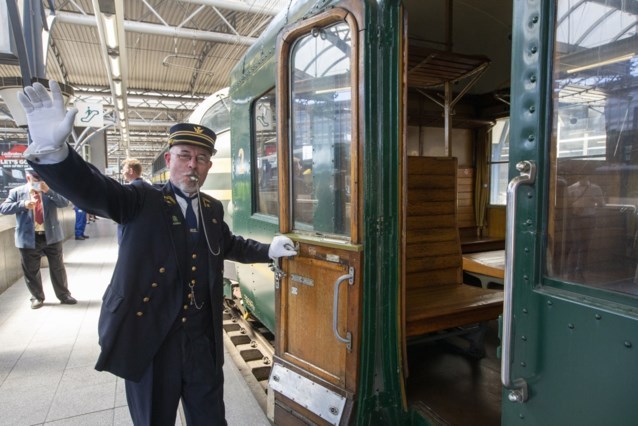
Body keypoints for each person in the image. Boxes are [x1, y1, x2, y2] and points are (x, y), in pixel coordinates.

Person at [17, 80, 297, 425]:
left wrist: (269, 249)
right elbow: (95, 191)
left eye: (201, 158)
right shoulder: (141, 199)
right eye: (184, 156)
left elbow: (227, 245)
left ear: (208, 166)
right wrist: (55, 156)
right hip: (151, 338)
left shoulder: (211, 208)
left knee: (210, 418)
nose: (192, 165)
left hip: (201, 341)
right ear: (169, 160)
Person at [0, 168, 77, 309]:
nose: (40, 182)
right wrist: (22, 205)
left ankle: (63, 295)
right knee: (31, 269)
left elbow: (64, 203)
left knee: (58, 267)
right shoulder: (17, 192)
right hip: (29, 237)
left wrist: (48, 191)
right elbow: (3, 208)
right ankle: (36, 297)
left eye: (42, 179)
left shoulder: (50, 190)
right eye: (37, 180)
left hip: (51, 236)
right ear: (28, 179)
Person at [566, 174, 605, 281]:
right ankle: (571, 271)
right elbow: (566, 204)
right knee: (576, 244)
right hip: (576, 218)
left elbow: (602, 204)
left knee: (585, 246)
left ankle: (580, 271)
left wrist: (595, 200)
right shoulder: (571, 188)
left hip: (590, 219)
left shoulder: (596, 188)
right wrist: (575, 207)